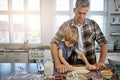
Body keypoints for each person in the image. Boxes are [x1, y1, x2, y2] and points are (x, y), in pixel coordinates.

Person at [50, 0, 108, 73]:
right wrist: (58, 64)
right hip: (71, 65)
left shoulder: (93, 25)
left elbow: (103, 43)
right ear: (74, 10)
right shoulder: (66, 25)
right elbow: (53, 43)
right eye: (79, 13)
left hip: (89, 64)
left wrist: (101, 61)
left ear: (87, 11)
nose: (81, 16)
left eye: (84, 13)